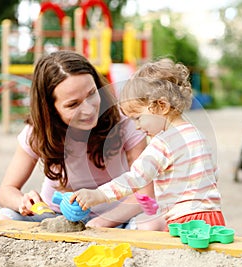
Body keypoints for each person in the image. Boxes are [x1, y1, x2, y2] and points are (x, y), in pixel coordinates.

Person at [0, 50, 154, 228]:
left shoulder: (125, 121)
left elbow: (145, 192)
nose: (88, 109)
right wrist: (23, 202)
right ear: (50, 109)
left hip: (116, 217)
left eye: (92, 93)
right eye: (73, 104)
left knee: (152, 224)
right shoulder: (37, 133)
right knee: (2, 217)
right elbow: (5, 192)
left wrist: (100, 223)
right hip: (55, 215)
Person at [70, 58, 226, 231]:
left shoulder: (162, 143)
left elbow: (134, 179)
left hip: (182, 222)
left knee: (138, 227)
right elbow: (212, 175)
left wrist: (98, 195)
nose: (137, 126)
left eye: (138, 118)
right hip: (213, 218)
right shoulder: (198, 136)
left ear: (162, 106)